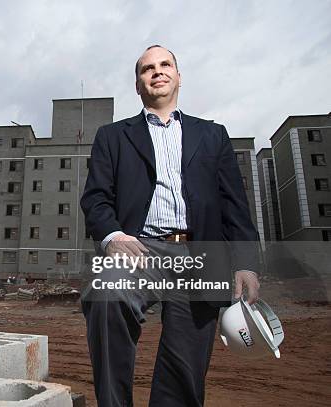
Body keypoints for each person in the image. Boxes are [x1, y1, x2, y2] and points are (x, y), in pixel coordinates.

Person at [80, 45, 261, 407]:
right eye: (148, 68)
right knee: (108, 293)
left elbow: (234, 205)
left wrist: (245, 263)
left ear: (178, 76)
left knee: (185, 368)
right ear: (138, 83)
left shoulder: (213, 135)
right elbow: (96, 198)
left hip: (201, 254)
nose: (157, 71)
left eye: (165, 65)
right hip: (140, 249)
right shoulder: (113, 136)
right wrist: (113, 236)